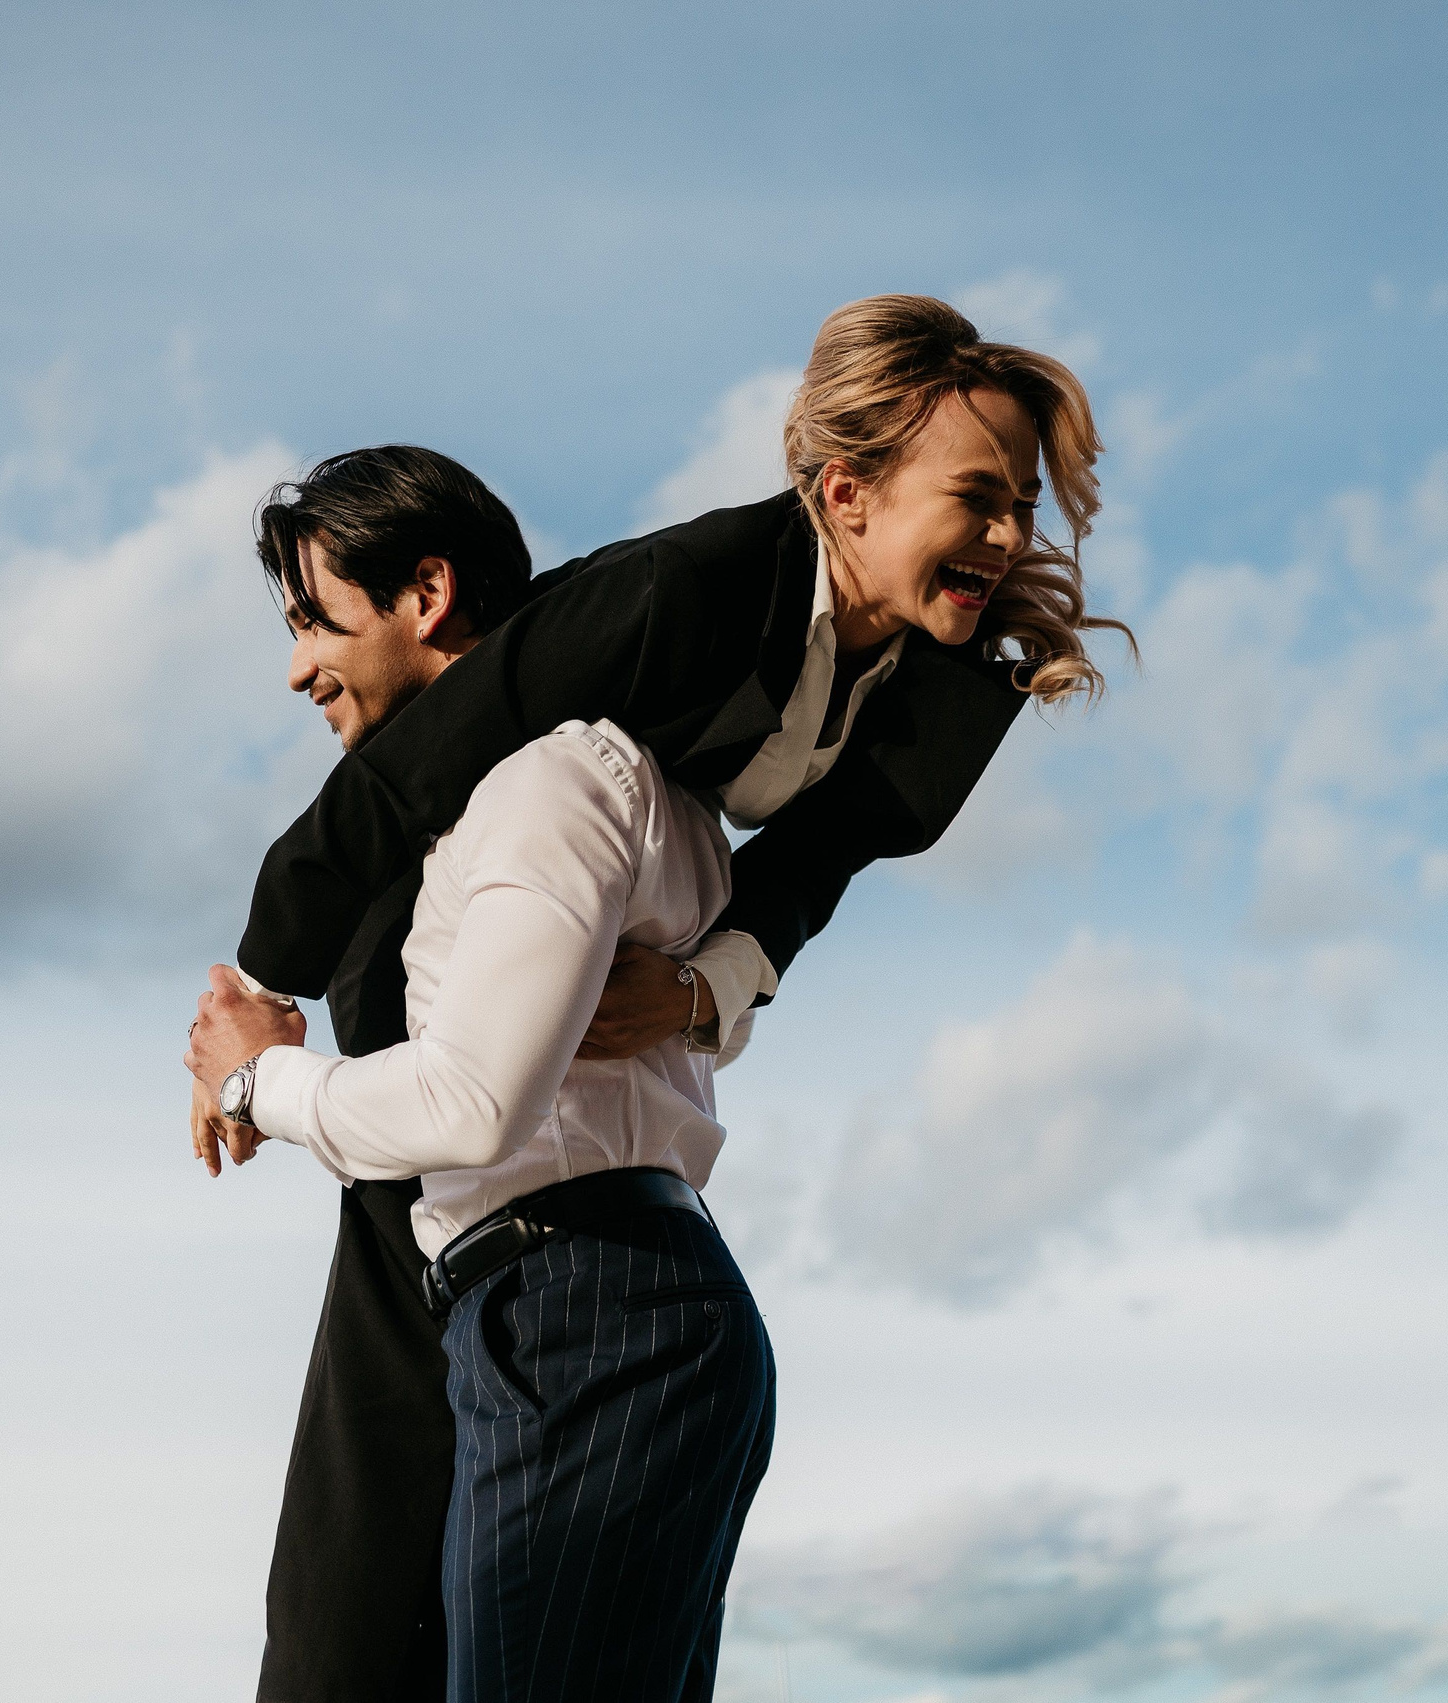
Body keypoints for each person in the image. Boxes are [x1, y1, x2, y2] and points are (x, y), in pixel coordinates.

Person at [198, 293, 1131, 1699]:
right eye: (985, 499)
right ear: (843, 493)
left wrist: (700, 992)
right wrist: (268, 966)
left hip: (580, 1311)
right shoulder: (671, 613)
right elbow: (408, 775)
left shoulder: (624, 769)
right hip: (529, 1308)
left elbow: (811, 867)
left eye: (1019, 506)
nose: (1013, 540)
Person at [192, 703, 771, 1700]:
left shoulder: (546, 780)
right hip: (564, 1301)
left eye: (315, 616)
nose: (298, 670)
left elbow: (469, 1104)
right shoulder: (533, 809)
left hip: (582, 1297)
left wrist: (261, 1079)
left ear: (426, 590)